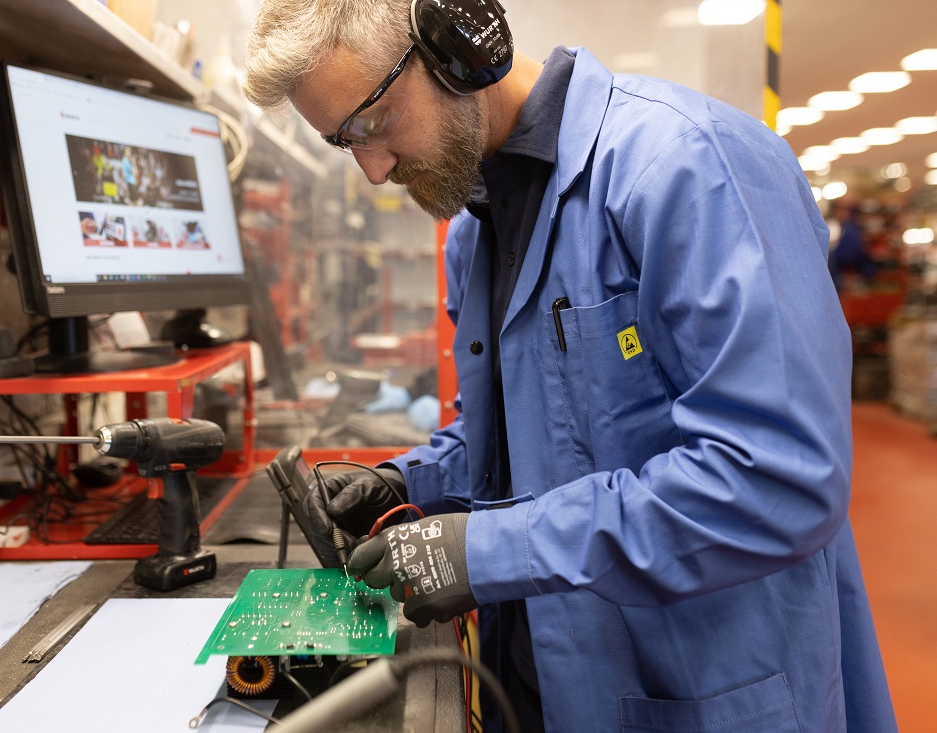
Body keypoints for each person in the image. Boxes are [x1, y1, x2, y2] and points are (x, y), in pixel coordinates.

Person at [244, 1, 898, 731]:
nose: (372, 168)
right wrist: (405, 481)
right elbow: (524, 442)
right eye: (343, 142)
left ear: (458, 44)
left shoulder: (687, 164)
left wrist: (487, 550)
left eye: (372, 121)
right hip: (543, 688)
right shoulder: (475, 232)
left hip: (704, 695)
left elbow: (778, 475)